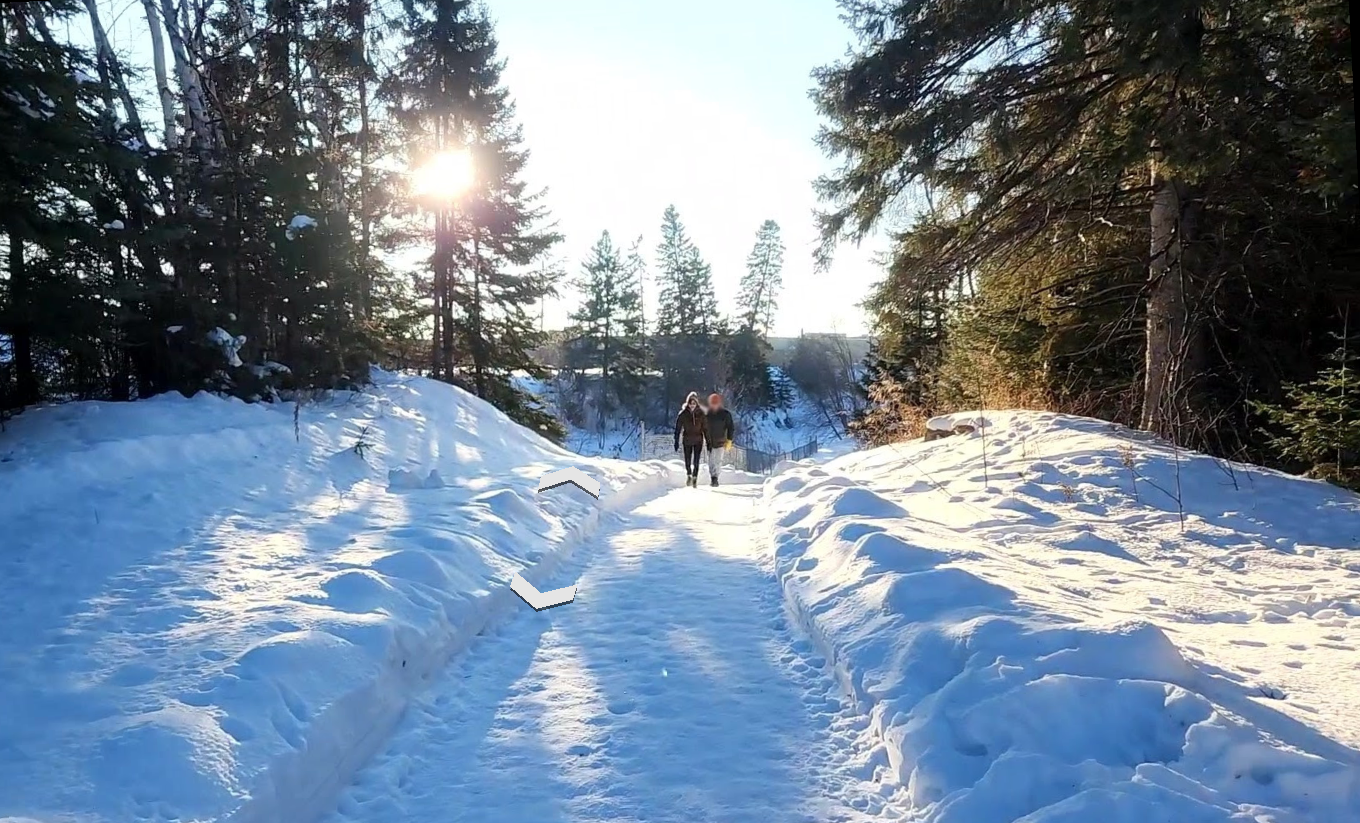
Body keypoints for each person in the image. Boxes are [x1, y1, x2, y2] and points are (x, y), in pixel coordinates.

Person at [673, 391, 708, 487]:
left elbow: (705, 428)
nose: (692, 405)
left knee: (696, 460)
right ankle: (689, 473)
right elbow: (678, 428)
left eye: (694, 403)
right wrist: (676, 440)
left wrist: (708, 441)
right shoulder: (683, 414)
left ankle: (695, 477)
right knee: (687, 459)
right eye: (690, 403)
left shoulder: (701, 414)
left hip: (698, 440)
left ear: (697, 403)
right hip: (687, 439)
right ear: (687, 403)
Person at [704, 392, 735, 487]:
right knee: (711, 460)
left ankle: (715, 477)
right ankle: (713, 477)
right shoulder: (706, 414)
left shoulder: (725, 414)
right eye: (712, 403)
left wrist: (729, 439)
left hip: (721, 441)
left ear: (719, 403)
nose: (714, 405)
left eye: (716, 403)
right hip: (709, 441)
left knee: (718, 460)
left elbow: (730, 427)